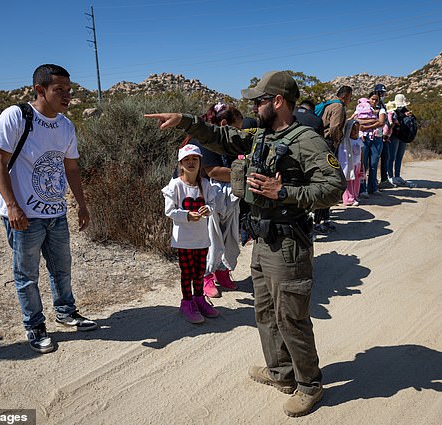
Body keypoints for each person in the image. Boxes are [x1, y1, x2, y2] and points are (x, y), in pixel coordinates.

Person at [145, 70, 346, 417]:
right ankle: (281, 372)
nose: (254, 106)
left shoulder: (306, 141)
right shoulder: (261, 136)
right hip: (264, 241)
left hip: (288, 244)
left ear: (278, 102)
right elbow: (223, 138)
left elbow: (333, 187)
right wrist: (186, 121)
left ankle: (310, 385)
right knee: (265, 313)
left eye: (259, 100)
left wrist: (284, 192)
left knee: (291, 317)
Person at [0, 64, 97, 354]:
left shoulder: (65, 125)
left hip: (55, 213)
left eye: (69, 90)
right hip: (24, 215)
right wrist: (12, 206)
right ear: (40, 90)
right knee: (26, 275)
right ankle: (34, 325)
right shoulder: (16, 116)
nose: (66, 96)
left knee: (62, 268)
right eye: (58, 90)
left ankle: (65, 311)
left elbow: (70, 167)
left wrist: (82, 204)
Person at [162, 144, 219, 324]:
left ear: (200, 162)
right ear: (181, 164)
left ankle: (199, 299)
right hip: (184, 240)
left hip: (201, 239)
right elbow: (169, 211)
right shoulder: (175, 185)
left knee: (200, 271)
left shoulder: (206, 184)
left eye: (194, 159)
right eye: (187, 160)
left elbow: (212, 204)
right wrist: (187, 215)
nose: (191, 162)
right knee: (187, 272)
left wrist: (207, 210)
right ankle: (186, 302)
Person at [196, 103, 243, 298]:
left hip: (227, 197)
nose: (239, 133)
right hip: (206, 196)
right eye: (236, 129)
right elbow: (212, 171)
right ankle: (205, 276)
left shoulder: (228, 141)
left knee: (227, 234)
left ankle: (222, 270)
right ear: (224, 124)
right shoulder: (205, 141)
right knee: (209, 237)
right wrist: (242, 173)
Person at [315, 85, 353, 233]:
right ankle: (320, 220)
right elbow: (334, 127)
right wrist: (337, 141)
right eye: (350, 96)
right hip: (329, 145)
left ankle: (323, 218)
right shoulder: (338, 107)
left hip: (323, 144)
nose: (351, 99)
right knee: (328, 181)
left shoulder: (329, 104)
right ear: (344, 96)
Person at [352, 90, 386, 196]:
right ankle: (362, 189)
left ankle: (373, 187)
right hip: (364, 138)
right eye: (373, 99)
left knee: (374, 164)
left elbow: (381, 122)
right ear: (368, 99)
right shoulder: (361, 108)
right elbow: (356, 120)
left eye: (377, 99)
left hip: (376, 139)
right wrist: (372, 120)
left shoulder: (381, 110)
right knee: (363, 164)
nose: (374, 101)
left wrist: (366, 126)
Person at [388, 94, 416, 188]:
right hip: (397, 135)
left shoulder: (403, 110)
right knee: (393, 157)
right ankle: (391, 176)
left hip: (399, 135)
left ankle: (396, 176)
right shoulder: (393, 110)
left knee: (397, 156)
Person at [338, 120, 363, 206]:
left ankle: (355, 195)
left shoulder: (358, 140)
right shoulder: (345, 142)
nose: (356, 132)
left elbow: (361, 152)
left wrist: (361, 164)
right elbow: (343, 155)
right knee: (349, 182)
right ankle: (348, 199)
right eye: (353, 129)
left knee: (356, 182)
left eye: (357, 130)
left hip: (357, 164)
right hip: (349, 166)